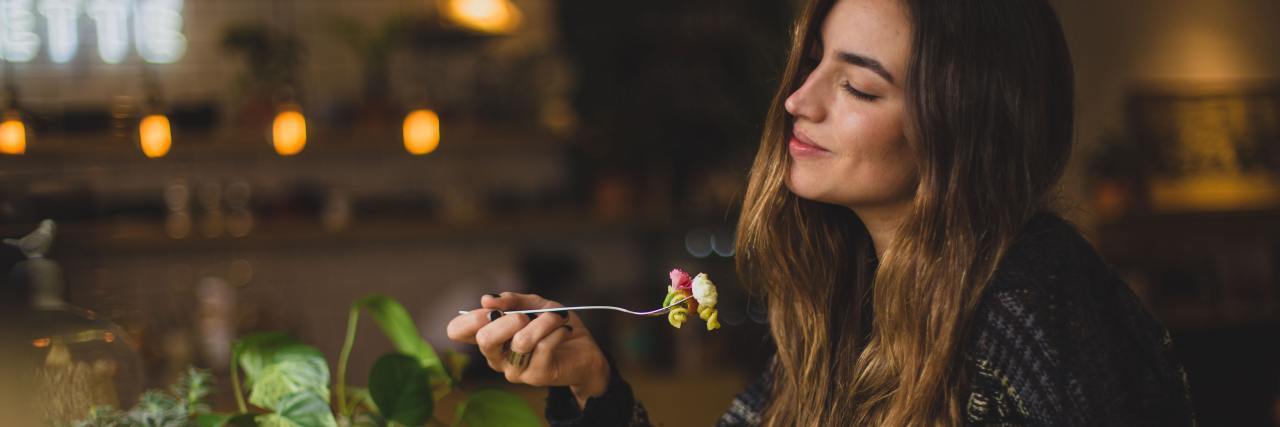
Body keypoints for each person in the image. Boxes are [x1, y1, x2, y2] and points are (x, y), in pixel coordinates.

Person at [446, 0, 1196, 424]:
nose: (800, 101)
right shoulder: (849, 297)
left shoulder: (1031, 309)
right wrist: (589, 381)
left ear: (964, 128)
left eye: (860, 89)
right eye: (813, 65)